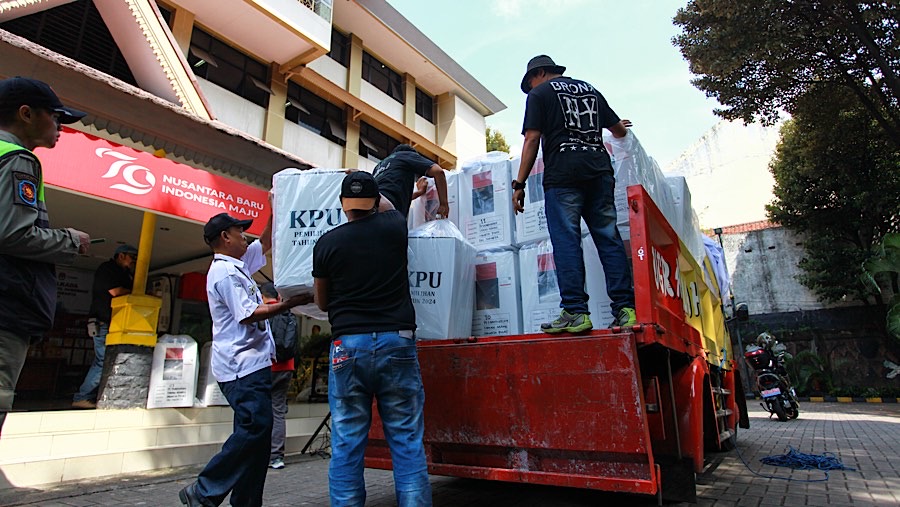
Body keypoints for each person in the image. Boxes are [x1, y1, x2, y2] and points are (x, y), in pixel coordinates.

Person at [313, 171, 431, 506]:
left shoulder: (327, 244)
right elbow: (390, 204)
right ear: (375, 201)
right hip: (397, 342)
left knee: (347, 442)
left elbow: (323, 302)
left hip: (348, 346)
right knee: (407, 441)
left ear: (342, 205)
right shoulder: (394, 227)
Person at [178, 212, 311, 507]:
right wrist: (288, 304)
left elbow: (264, 241)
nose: (245, 236)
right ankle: (203, 491)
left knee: (258, 440)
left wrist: (275, 204)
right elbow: (248, 314)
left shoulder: (238, 266)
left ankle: (246, 502)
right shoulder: (224, 273)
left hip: (254, 365)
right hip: (241, 367)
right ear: (225, 237)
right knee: (256, 429)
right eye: (240, 231)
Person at [512, 55, 636, 333]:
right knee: (608, 238)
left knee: (567, 241)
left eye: (530, 82)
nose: (530, 88)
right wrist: (617, 128)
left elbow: (532, 139)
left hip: (563, 175)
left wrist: (519, 185)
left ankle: (576, 312)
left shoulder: (539, 94)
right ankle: (626, 309)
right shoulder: (589, 89)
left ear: (540, 73)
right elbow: (617, 130)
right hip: (599, 172)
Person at [0, 76, 90, 435]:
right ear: (26, 114)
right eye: (55, 117)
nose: (60, 128)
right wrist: (70, 241)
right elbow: (13, 233)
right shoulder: (19, 159)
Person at [71, 244, 137, 409]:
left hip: (112, 324)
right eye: (132, 257)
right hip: (102, 323)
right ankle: (82, 396)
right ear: (121, 255)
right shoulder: (107, 269)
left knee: (105, 360)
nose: (134, 261)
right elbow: (116, 292)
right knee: (102, 361)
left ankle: (90, 396)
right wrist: (138, 293)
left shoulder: (124, 273)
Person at [258, 282, 297, 471]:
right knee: (278, 410)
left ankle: (260, 453)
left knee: (261, 409)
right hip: (286, 366)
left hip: (266, 366)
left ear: (263, 295)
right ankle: (277, 456)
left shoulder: (262, 312)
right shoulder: (287, 313)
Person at [373, 144, 448, 219]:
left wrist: (419, 192)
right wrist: (443, 204)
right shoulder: (405, 155)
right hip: (388, 211)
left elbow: (393, 192)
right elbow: (438, 171)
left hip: (371, 208)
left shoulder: (379, 166)